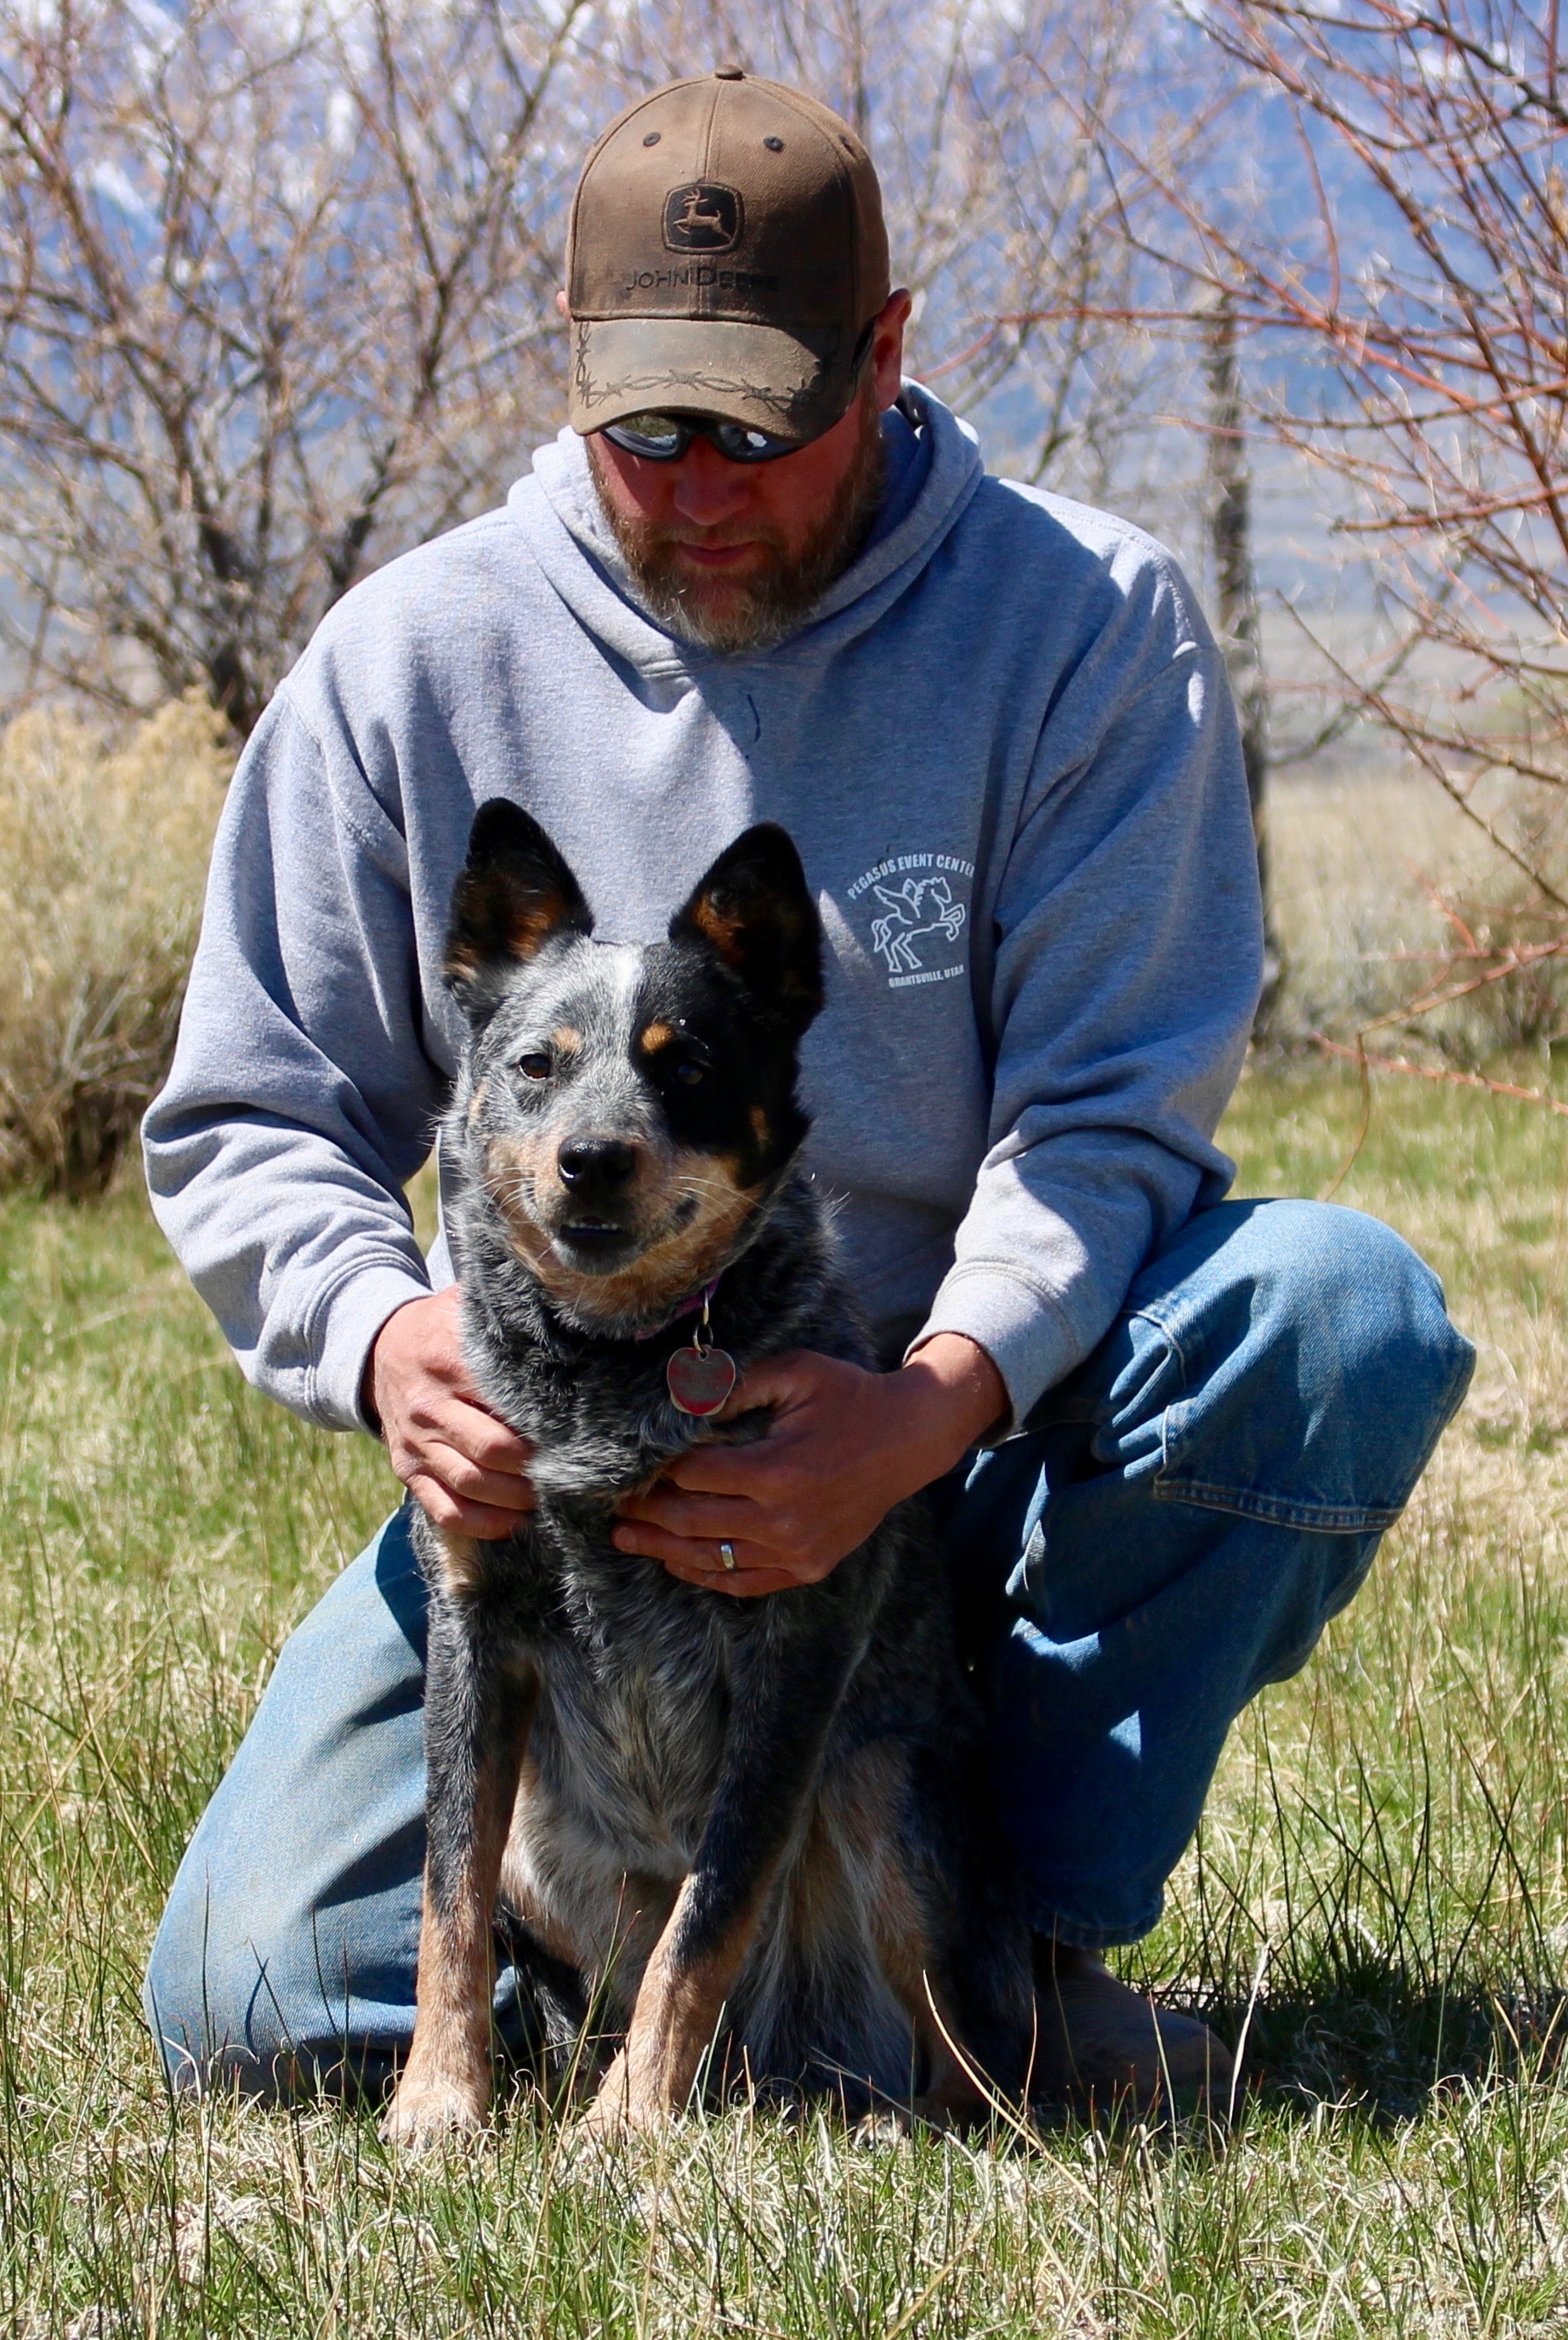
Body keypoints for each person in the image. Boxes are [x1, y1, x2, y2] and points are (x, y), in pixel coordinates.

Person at [140, 68, 1474, 2113]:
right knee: (245, 2005)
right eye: (645, 429)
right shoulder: (409, 661)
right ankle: (690, 1967)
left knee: (1335, 1313)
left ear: (888, 353)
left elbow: (1112, 1116)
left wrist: (921, 1403)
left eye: (761, 426)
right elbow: (248, 1113)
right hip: (546, 1488)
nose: (699, 491)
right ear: (569, 375)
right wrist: (389, 1333)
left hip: (971, 1433)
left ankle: (1002, 1953)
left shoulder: (1084, 628)